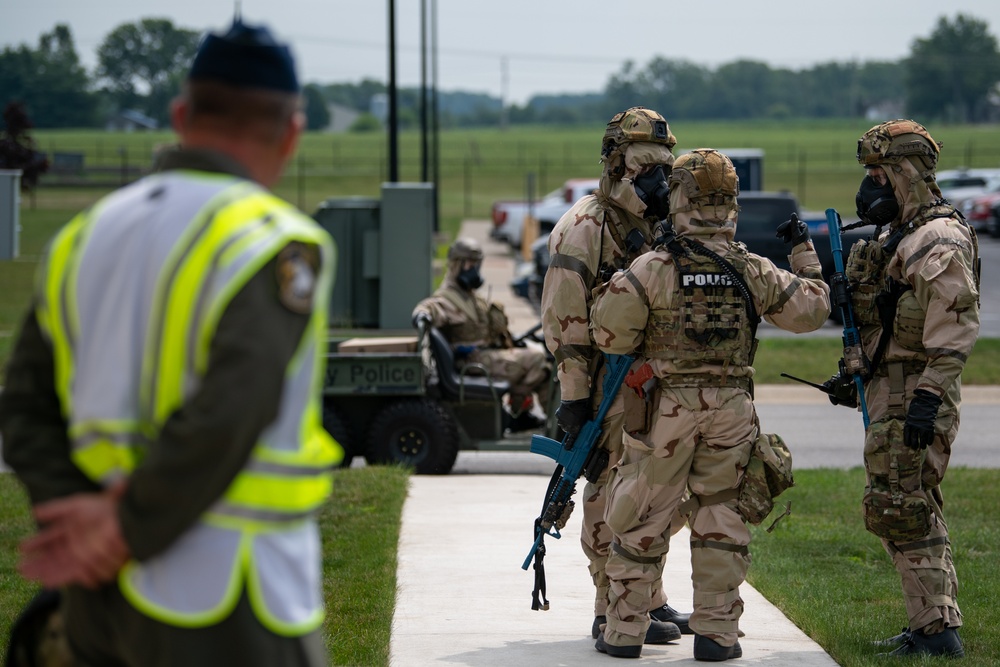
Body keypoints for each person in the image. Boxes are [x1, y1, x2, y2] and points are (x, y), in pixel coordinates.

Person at [0, 18, 339, 667]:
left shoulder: (83, 234)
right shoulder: (271, 241)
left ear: (180, 113)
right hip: (226, 591)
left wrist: (79, 528)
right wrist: (124, 528)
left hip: (96, 599)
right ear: (291, 133)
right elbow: (231, 411)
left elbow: (23, 405)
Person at [590, 148, 831, 660]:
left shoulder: (654, 266)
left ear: (678, 198)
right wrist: (805, 253)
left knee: (642, 516)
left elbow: (609, 334)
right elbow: (812, 309)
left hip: (666, 412)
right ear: (731, 204)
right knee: (722, 519)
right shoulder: (752, 268)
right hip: (732, 410)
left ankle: (625, 630)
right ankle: (718, 636)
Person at [539, 106, 691, 643]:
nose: (656, 180)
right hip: (606, 384)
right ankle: (610, 609)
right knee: (609, 488)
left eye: (662, 168)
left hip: (657, 379)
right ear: (615, 166)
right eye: (643, 168)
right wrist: (576, 399)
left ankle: (649, 597)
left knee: (658, 491)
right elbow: (565, 323)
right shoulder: (583, 228)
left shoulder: (660, 225)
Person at [833, 119, 979, 658]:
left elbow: (956, 325)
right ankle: (931, 623)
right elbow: (888, 323)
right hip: (890, 387)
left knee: (901, 507)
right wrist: (853, 371)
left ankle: (937, 634)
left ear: (906, 174)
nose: (869, 185)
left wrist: (926, 399)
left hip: (915, 393)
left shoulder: (934, 238)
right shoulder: (899, 235)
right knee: (913, 505)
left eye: (878, 173)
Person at [412, 237, 551, 429]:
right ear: (456, 265)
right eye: (470, 264)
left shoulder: (470, 297)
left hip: (486, 354)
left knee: (541, 359)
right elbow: (430, 307)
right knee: (536, 359)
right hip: (471, 362)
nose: (475, 269)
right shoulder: (446, 299)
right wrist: (422, 314)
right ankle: (520, 415)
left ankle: (538, 418)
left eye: (477, 264)